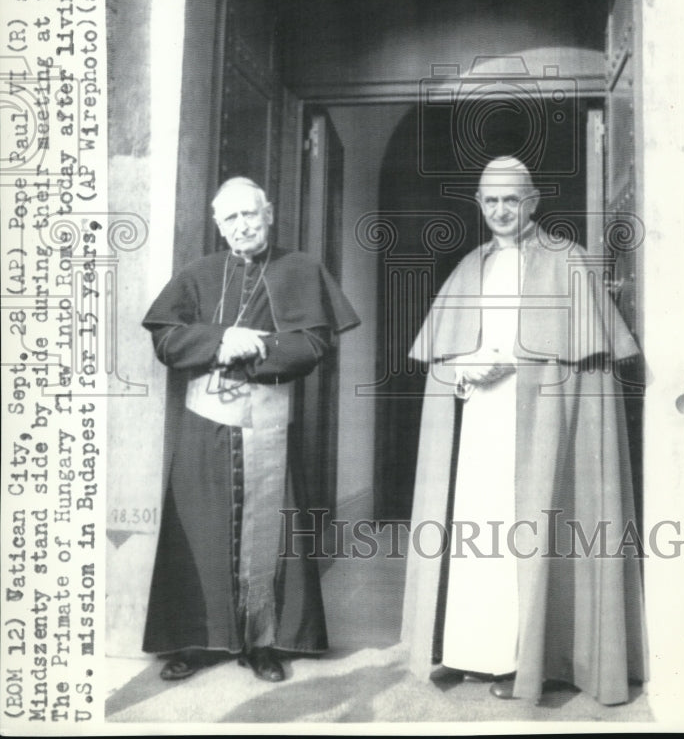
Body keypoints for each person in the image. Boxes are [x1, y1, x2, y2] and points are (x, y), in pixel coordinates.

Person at [401, 157, 648, 705]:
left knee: (530, 535)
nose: (500, 211)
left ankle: (529, 660)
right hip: (483, 424)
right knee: (478, 537)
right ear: (479, 205)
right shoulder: (471, 265)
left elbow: (584, 361)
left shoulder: (569, 261)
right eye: (490, 201)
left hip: (542, 423)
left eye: (511, 200)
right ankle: (475, 653)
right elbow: (446, 353)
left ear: (533, 202)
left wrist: (515, 360)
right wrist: (465, 367)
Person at [141, 177, 359, 683]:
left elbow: (315, 345)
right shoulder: (197, 274)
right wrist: (222, 339)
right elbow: (167, 340)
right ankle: (195, 639)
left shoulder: (301, 269)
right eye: (231, 218)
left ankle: (265, 643)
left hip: (268, 423)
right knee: (196, 529)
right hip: (205, 426)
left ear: (270, 213)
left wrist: (259, 349)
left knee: (272, 532)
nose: (242, 225)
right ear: (219, 226)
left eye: (250, 214)